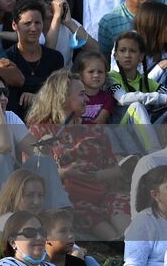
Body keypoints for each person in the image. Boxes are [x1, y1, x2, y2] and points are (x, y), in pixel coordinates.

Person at [24, 72, 130, 238]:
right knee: (86, 213)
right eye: (81, 94)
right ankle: (116, 242)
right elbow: (31, 175)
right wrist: (65, 173)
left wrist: (96, 175)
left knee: (120, 202)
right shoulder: (39, 131)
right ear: (62, 97)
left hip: (102, 195)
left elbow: (116, 170)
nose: (87, 99)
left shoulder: (93, 129)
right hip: (70, 199)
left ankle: (128, 239)